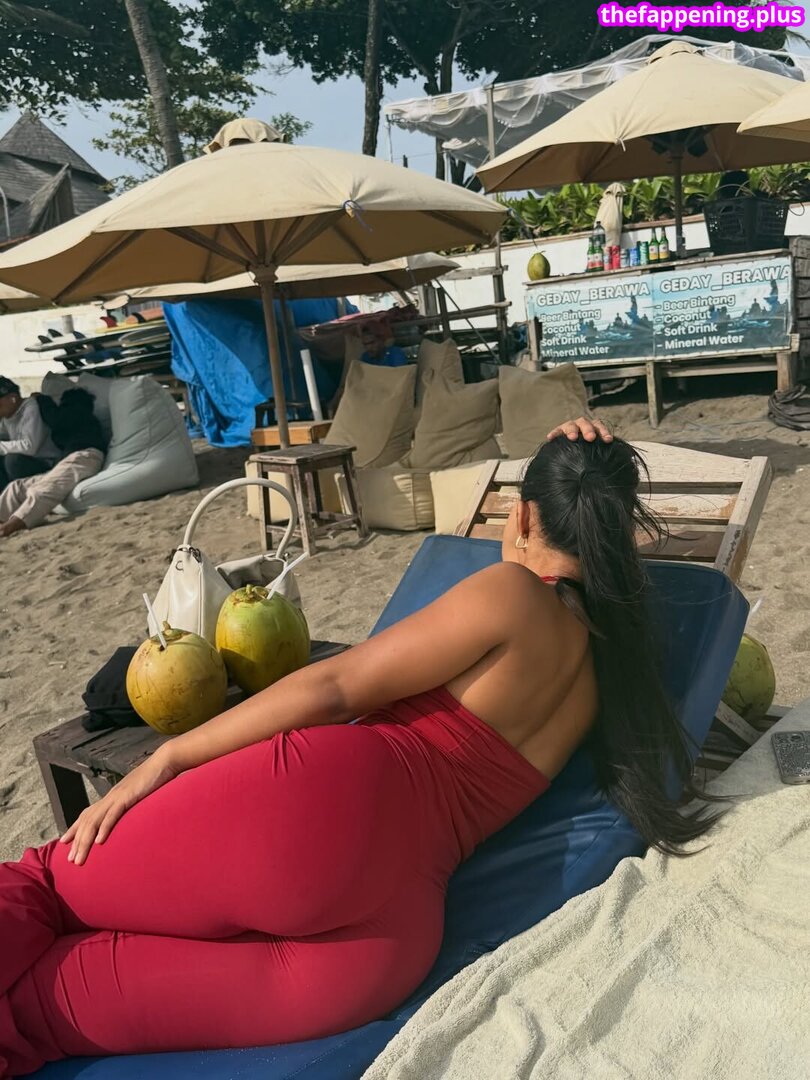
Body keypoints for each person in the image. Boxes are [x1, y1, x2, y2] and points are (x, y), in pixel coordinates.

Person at [0, 417, 717, 1075]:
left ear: (524, 516)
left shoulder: (516, 594)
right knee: (40, 1019)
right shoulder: (613, 669)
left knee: (46, 890)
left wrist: (168, 757)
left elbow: (336, 688)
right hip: (388, 942)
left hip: (325, 807)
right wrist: (582, 473)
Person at [0, 388, 108, 538]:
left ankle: (11, 526)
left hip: (84, 456)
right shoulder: (78, 422)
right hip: (68, 460)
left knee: (44, 489)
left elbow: (56, 419)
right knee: (16, 487)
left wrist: (42, 399)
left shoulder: (78, 414)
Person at [0, 376, 60, 491]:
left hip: (45, 462)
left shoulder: (30, 407)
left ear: (13, 398)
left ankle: (20, 495)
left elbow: (30, 446)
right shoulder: (7, 416)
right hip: (28, 462)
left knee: (13, 460)